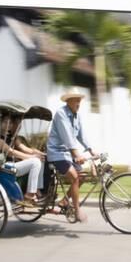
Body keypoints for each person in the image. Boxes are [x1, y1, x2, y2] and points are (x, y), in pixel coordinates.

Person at [47, 87, 98, 222]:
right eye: (76, 100)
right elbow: (67, 138)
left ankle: (64, 201)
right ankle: (77, 210)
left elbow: (81, 135)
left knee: (81, 177)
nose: (78, 103)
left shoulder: (77, 116)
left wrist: (91, 150)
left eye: (79, 100)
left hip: (68, 154)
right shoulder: (61, 114)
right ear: (68, 101)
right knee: (75, 177)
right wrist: (77, 154)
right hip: (57, 153)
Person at [0, 114, 45, 205]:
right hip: (3, 167)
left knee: (40, 160)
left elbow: (25, 149)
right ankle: (29, 195)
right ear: (0, 123)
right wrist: (31, 157)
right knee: (35, 162)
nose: (9, 124)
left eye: (10, 122)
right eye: (5, 121)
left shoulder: (12, 137)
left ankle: (37, 189)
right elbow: (11, 152)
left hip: (13, 166)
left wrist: (41, 154)